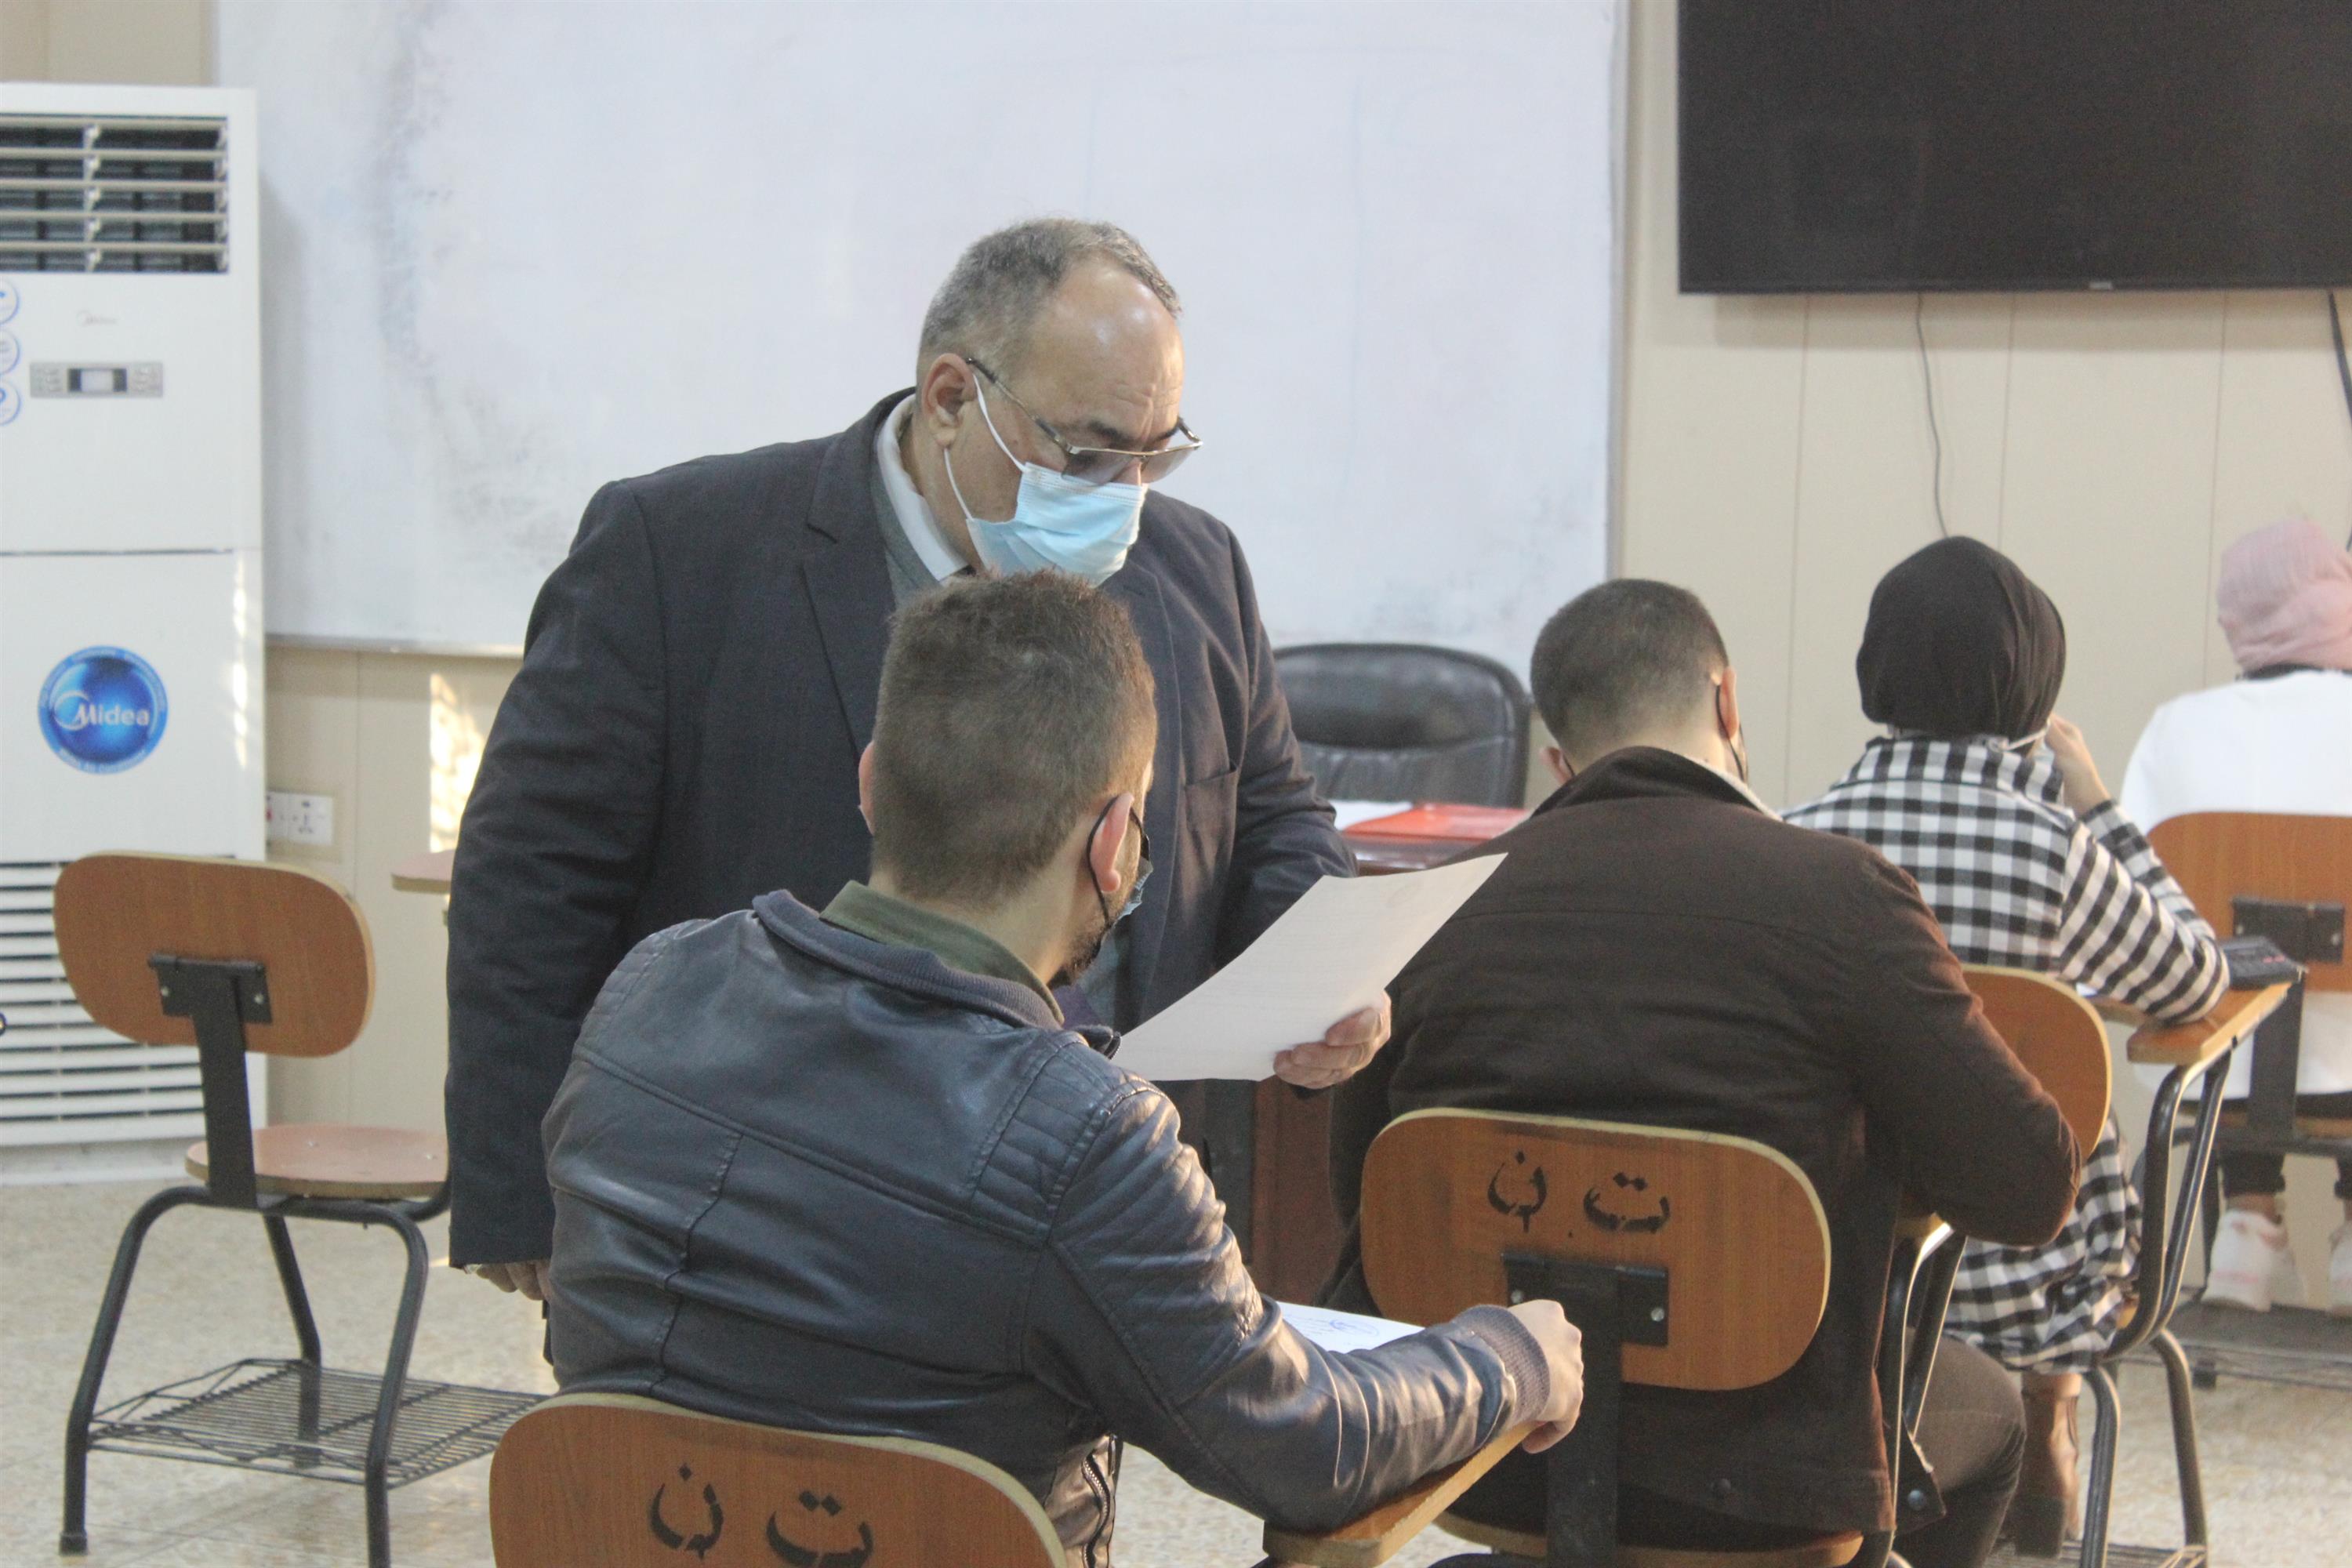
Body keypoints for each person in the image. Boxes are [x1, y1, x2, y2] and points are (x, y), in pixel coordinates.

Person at [542, 572, 1585, 1568]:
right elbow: (1308, 1445)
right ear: (1116, 844)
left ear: (871, 783)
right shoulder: (1086, 1136)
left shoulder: (653, 986)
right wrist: (1510, 1354)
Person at [447, 220, 1388, 1296]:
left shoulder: (1196, 569)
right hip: (765, 1215)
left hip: (1099, 1208)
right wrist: (521, 1195)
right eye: (1086, 454)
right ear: (950, 397)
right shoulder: (682, 551)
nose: (1122, 494)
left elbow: (1270, 813)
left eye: (1154, 454)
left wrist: (1323, 979)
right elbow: (529, 882)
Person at [1325, 580, 2079, 1568]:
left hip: (1487, 1448)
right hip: (1768, 1482)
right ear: (1728, 701)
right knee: (1997, 1417)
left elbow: (1365, 1190)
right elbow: (2030, 1187)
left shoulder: (1432, 904)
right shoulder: (1844, 897)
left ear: (1557, 759)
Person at [1788, 536, 2228, 1555]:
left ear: (1872, 672)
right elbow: (2195, 979)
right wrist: (2099, 805)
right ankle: (2049, 1404)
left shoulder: (1802, 838)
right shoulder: (2054, 847)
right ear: (2037, 692)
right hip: (2032, 1269)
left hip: (1850, 1267)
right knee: (2037, 1123)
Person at [2122, 517, 2352, 1315]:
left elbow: (2136, 901)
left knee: (2229, 1000)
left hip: (2209, 1072)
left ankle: (2247, 1225)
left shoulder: (2176, 729)